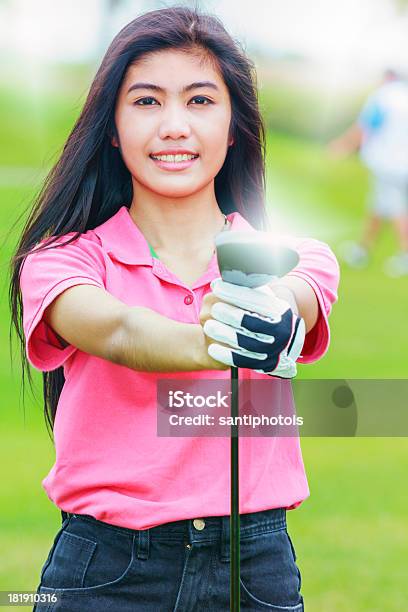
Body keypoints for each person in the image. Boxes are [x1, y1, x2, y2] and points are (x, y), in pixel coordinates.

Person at [9, 6, 339, 611]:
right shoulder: (60, 262)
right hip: (105, 568)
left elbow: (296, 297)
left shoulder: (298, 258)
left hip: (254, 566)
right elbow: (119, 328)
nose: (173, 126)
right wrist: (219, 341)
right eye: (146, 101)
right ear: (111, 127)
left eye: (200, 100)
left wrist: (272, 314)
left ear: (235, 123)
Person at [329, 68, 408, 276]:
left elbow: (364, 127)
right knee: (379, 207)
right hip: (401, 165)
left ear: (387, 78)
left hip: (388, 163)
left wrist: (343, 146)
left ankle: (405, 255)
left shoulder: (382, 97)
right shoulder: (404, 96)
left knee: (396, 208)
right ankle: (362, 250)